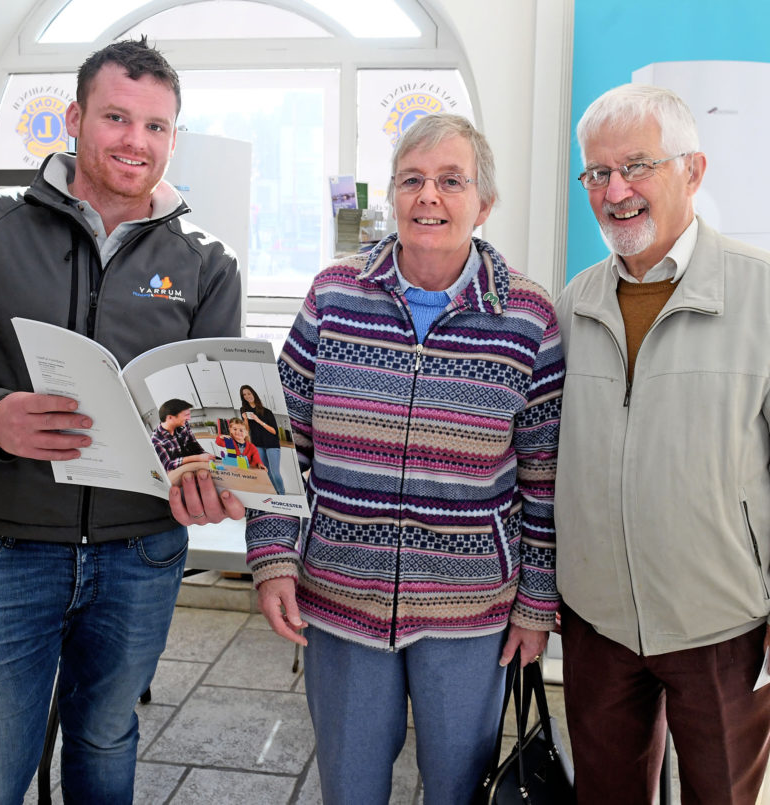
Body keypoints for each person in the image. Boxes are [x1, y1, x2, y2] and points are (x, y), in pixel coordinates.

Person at [0, 38, 244, 804]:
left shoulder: (209, 261)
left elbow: (205, 417)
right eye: (116, 117)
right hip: (0, 550)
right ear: (75, 118)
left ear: (173, 136)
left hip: (140, 555)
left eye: (155, 126)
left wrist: (214, 475)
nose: (135, 141)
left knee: (107, 740)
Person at [554, 83, 770, 804]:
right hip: (600, 622)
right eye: (597, 173)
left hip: (724, 627)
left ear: (692, 172)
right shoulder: (573, 305)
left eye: (638, 165)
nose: (616, 190)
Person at [245, 113, 565, 804]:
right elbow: (277, 436)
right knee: (351, 786)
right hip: (339, 594)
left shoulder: (528, 317)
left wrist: (536, 602)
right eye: (413, 180)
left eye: (451, 181)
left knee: (457, 788)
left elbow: (544, 478)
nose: (430, 197)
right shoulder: (335, 293)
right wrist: (272, 556)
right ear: (391, 194)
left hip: (469, 605)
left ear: (485, 202)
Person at [239, 384, 285, 493]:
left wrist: (258, 420)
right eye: (244, 395)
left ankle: (283, 494)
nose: (247, 396)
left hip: (271, 444)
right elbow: (247, 430)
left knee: (275, 473)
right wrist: (245, 419)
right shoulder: (244, 410)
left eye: (249, 393)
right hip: (258, 444)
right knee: (266, 472)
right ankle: (276, 493)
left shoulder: (266, 412)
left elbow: (274, 431)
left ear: (253, 394)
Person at [152, 398, 216, 471]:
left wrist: (206, 456)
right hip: (180, 473)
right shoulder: (156, 440)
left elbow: (194, 445)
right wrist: (198, 458)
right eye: (186, 415)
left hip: (196, 465)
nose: (189, 418)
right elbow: (168, 465)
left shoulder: (184, 424)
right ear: (170, 417)